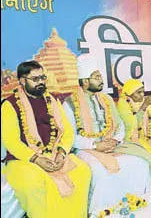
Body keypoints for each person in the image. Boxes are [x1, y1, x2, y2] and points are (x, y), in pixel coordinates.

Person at [63, 55, 151, 216]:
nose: (101, 80)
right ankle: (102, 212)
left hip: (112, 144)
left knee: (140, 162)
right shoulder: (69, 103)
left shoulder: (106, 99)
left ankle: (137, 205)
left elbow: (119, 125)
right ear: (85, 81)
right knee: (99, 171)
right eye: (97, 77)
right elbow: (70, 136)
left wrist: (114, 140)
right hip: (86, 149)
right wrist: (94, 145)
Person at [1, 61, 91, 218]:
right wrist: (36, 159)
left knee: (82, 171)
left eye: (43, 77)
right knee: (34, 182)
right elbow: (11, 141)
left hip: (54, 153)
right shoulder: (10, 105)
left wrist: (62, 153)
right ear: (22, 81)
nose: (41, 82)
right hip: (24, 159)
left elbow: (68, 132)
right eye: (35, 79)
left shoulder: (52, 101)